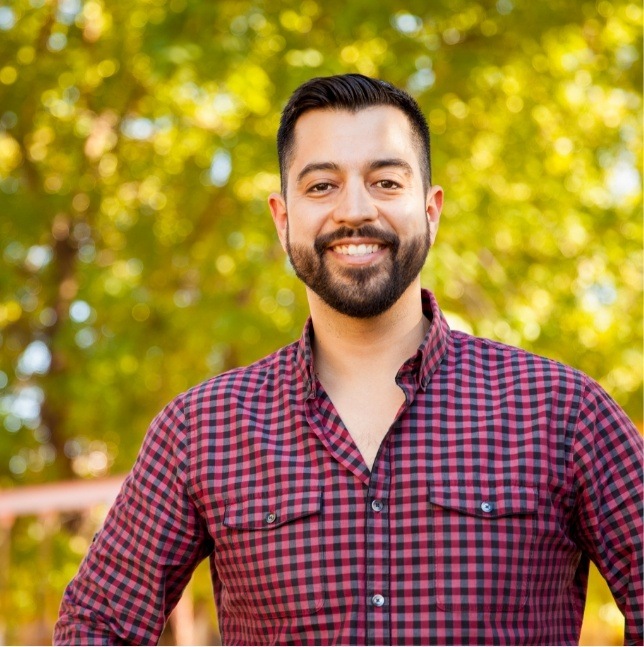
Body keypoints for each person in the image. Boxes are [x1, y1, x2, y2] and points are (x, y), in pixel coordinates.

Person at [54, 73, 642, 646]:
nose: (354, 211)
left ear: (431, 210)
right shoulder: (201, 429)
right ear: (283, 220)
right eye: (320, 186)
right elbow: (95, 627)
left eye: (386, 182)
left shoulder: (565, 411)